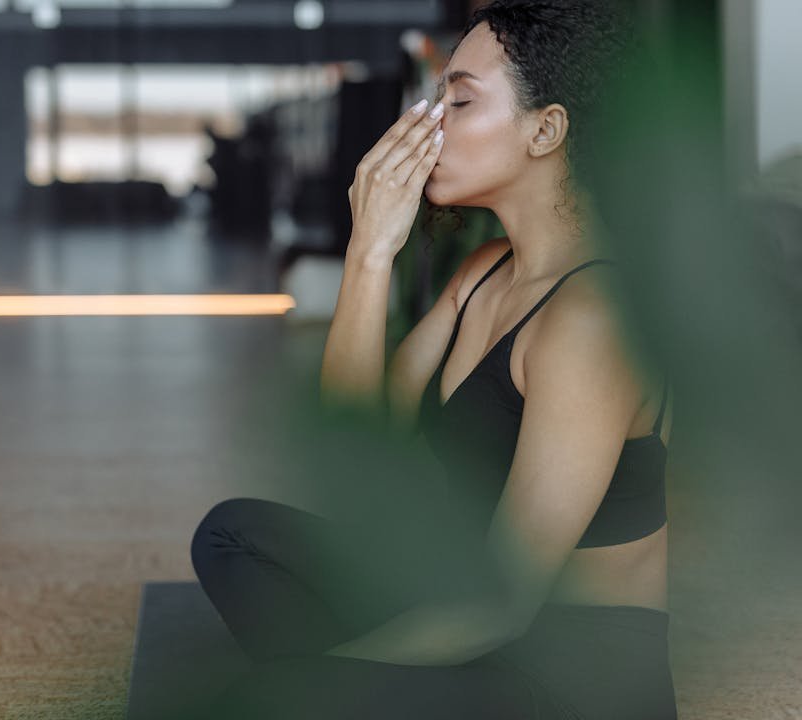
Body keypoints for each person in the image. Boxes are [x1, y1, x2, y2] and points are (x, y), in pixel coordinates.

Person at [189, 1, 677, 717]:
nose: (430, 124)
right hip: (470, 606)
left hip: (567, 677)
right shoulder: (482, 273)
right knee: (232, 536)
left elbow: (502, 605)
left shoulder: (591, 321)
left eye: (460, 100)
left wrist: (307, 682)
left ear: (546, 130)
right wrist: (370, 251)